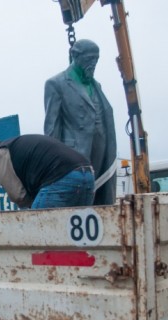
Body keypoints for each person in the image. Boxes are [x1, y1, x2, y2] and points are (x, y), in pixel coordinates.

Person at [44, 39, 117, 205]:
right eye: (89, 59)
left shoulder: (96, 85)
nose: (93, 63)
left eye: (96, 59)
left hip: (102, 153)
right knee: (78, 201)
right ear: (75, 56)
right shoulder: (56, 84)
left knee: (99, 199)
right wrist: (52, 166)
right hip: (75, 155)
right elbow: (51, 129)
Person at [0, 135, 95, 209]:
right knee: (75, 239)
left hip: (61, 177)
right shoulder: (18, 145)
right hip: (88, 174)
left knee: (37, 229)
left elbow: (19, 196)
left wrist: (31, 206)